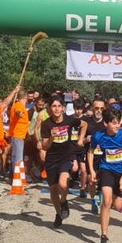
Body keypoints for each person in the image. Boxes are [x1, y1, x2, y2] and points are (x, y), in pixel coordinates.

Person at [88, 110, 122, 243]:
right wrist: (91, 170)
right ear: (105, 123)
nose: (117, 126)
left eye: (119, 123)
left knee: (117, 204)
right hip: (106, 169)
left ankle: (118, 199)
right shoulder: (99, 136)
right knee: (106, 201)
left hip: (121, 172)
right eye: (114, 123)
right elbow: (90, 152)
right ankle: (104, 236)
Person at [40, 96, 79, 228]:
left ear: (63, 108)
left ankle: (64, 202)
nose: (56, 109)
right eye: (53, 106)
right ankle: (58, 214)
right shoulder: (46, 124)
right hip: (52, 159)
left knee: (63, 184)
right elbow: (45, 146)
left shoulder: (70, 120)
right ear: (50, 109)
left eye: (58, 106)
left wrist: (79, 143)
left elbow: (84, 125)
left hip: (66, 157)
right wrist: (52, 137)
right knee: (53, 190)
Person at [80, 100, 106, 214]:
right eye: (96, 108)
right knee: (91, 180)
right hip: (91, 154)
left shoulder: (107, 122)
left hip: (104, 155)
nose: (99, 110)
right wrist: (86, 139)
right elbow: (79, 141)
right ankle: (93, 200)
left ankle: (102, 200)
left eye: (101, 108)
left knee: (104, 180)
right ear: (92, 108)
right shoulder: (86, 122)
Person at [7, 89, 32, 184]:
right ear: (25, 98)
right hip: (18, 135)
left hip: (19, 135)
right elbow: (18, 112)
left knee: (15, 157)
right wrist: (20, 114)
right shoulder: (19, 106)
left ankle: (12, 178)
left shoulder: (18, 105)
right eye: (26, 99)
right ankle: (15, 179)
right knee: (17, 158)